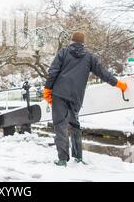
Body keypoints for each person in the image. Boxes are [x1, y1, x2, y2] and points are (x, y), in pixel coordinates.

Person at [43, 31, 128, 167]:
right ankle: (78, 157)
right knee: (75, 125)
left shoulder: (64, 52)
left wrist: (47, 89)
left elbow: (53, 71)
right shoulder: (89, 57)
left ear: (71, 41)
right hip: (76, 97)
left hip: (59, 94)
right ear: (83, 43)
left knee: (61, 126)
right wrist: (118, 84)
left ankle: (63, 159)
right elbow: (103, 73)